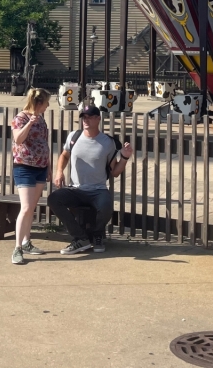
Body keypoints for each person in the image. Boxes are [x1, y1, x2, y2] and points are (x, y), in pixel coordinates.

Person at [49, 103, 133, 254]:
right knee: (54, 199)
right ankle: (80, 238)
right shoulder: (73, 137)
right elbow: (64, 155)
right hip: (75, 189)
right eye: (83, 117)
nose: (86, 120)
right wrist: (59, 172)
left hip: (98, 190)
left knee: (106, 206)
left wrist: (125, 158)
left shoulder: (108, 142)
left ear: (98, 119)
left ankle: (97, 234)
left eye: (90, 117)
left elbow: (114, 172)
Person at [9, 87, 52, 265]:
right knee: (26, 207)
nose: (48, 106)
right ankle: (17, 248)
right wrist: (29, 123)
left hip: (41, 167)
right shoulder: (20, 118)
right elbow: (18, 139)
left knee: (32, 207)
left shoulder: (42, 119)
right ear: (39, 103)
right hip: (24, 166)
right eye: (47, 102)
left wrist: (48, 166)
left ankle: (27, 242)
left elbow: (43, 142)